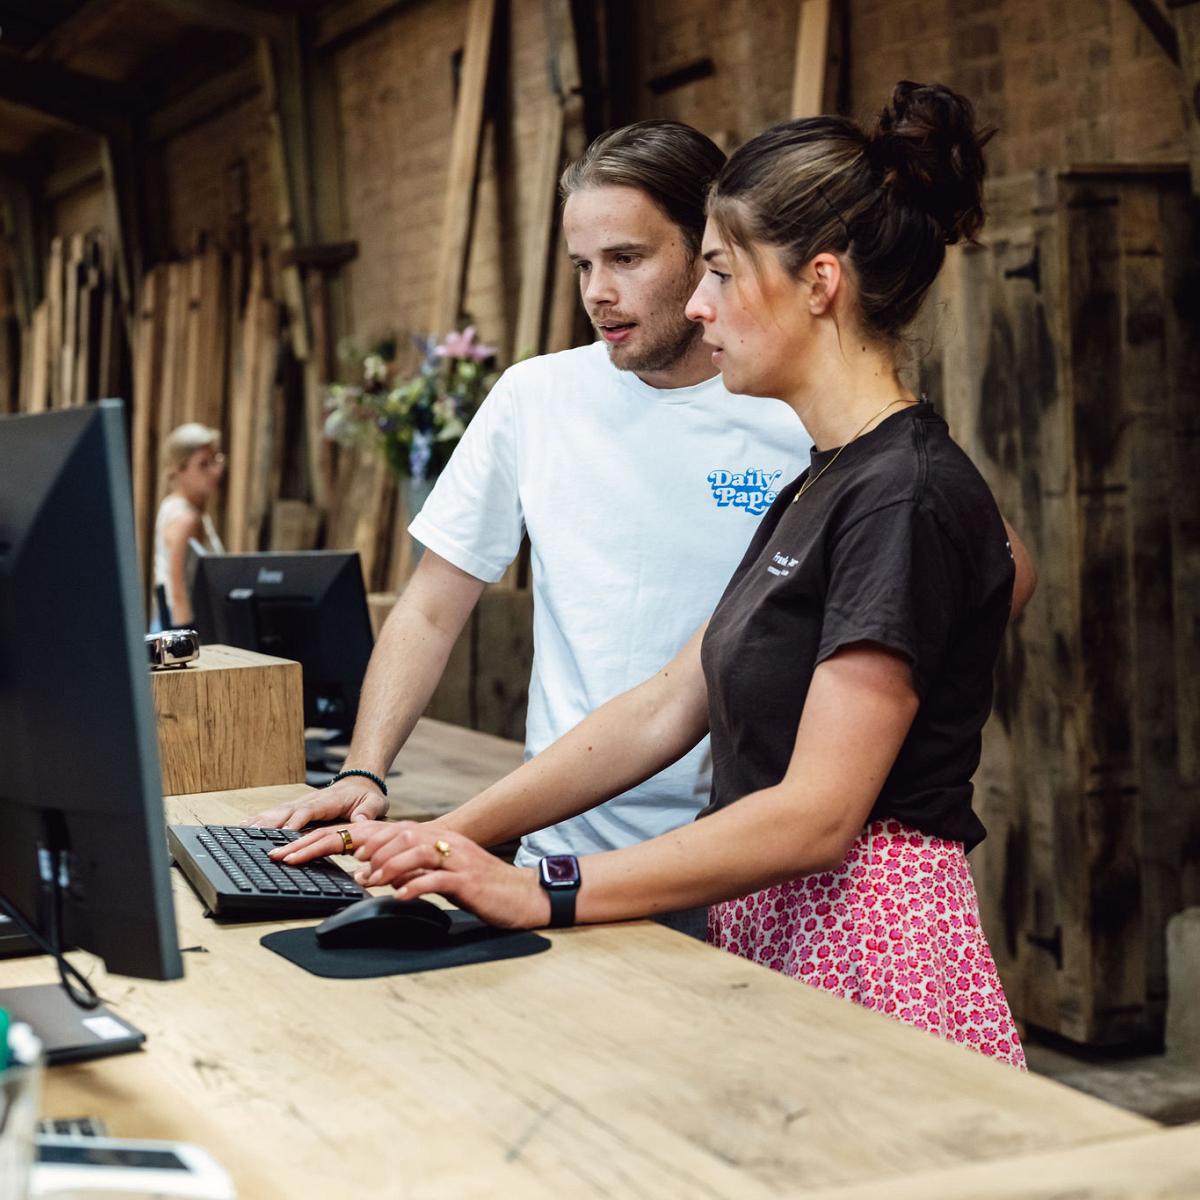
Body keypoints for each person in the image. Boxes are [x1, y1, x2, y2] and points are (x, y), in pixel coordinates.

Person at [280, 82, 1030, 1068]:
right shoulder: (824, 479)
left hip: (864, 953)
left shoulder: (901, 490)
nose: (701, 303)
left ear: (819, 282)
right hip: (773, 925)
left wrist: (544, 890)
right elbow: (669, 700)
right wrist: (442, 838)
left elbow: (817, 811)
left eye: (717, 271)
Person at [248, 122, 814, 929]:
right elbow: (435, 604)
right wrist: (367, 772)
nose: (597, 292)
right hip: (556, 848)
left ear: (707, 250)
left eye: (626, 258)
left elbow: (965, 553)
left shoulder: (789, 406)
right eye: (583, 265)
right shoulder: (534, 397)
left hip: (738, 859)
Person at [153, 423, 225, 629]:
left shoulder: (177, 506)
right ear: (180, 470)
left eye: (216, 460)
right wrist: (189, 644)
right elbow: (177, 591)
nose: (215, 471)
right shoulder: (186, 518)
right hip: (181, 627)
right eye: (203, 464)